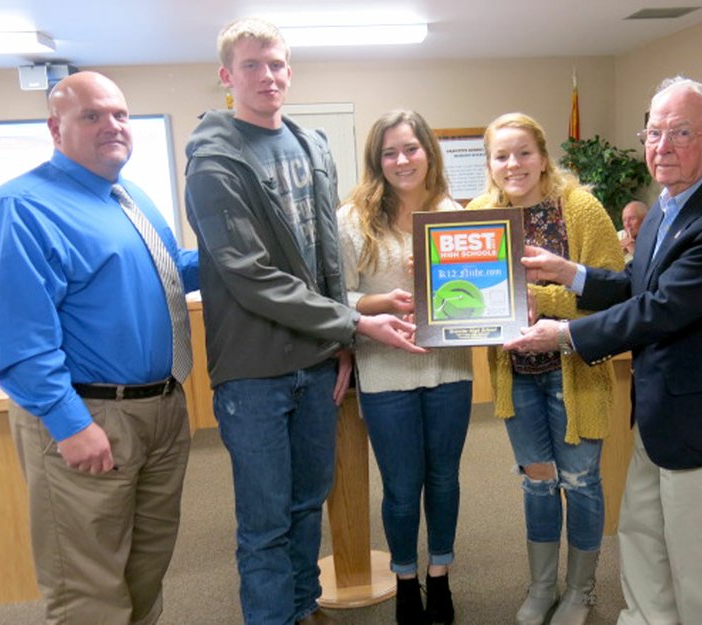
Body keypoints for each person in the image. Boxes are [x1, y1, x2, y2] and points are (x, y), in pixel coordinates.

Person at [184, 18, 425, 625]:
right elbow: (252, 275)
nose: (267, 76)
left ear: (289, 71)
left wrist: (340, 343)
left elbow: (324, 259)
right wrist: (355, 325)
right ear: (226, 77)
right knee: (264, 524)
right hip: (254, 373)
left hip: (317, 365)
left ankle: (298, 610)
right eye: (251, 66)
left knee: (304, 509)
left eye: (276, 64)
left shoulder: (311, 145)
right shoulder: (213, 162)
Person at [510, 76, 702, 625]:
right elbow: (639, 284)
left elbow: (662, 310)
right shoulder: (666, 203)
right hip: (661, 415)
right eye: (653, 132)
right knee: (642, 537)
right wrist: (570, 272)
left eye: (680, 132)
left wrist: (564, 335)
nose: (662, 146)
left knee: (698, 570)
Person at [0, 71, 199, 625]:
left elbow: (172, 271)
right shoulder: (23, 206)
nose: (113, 126)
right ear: (56, 130)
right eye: (92, 116)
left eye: (121, 115)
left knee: (145, 571)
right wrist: (68, 422)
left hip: (160, 408)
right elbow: (19, 335)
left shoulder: (130, 198)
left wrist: (247, 256)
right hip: (89, 416)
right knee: (89, 589)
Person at [466, 113, 624, 625]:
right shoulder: (481, 213)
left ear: (542, 154)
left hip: (575, 372)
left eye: (523, 152)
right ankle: (540, 587)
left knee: (580, 481)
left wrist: (540, 299)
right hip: (518, 377)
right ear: (490, 164)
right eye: (501, 155)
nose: (513, 164)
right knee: (536, 482)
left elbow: (613, 299)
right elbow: (470, 298)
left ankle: (580, 591)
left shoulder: (579, 208)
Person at [337, 110, 473, 625]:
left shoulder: (452, 212)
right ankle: (404, 580)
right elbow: (335, 298)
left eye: (411, 149)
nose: (401, 160)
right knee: (401, 485)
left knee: (444, 479)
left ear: (428, 153)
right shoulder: (351, 219)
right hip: (385, 370)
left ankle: (439, 576)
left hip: (449, 369)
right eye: (389, 152)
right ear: (377, 160)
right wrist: (379, 304)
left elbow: (474, 296)